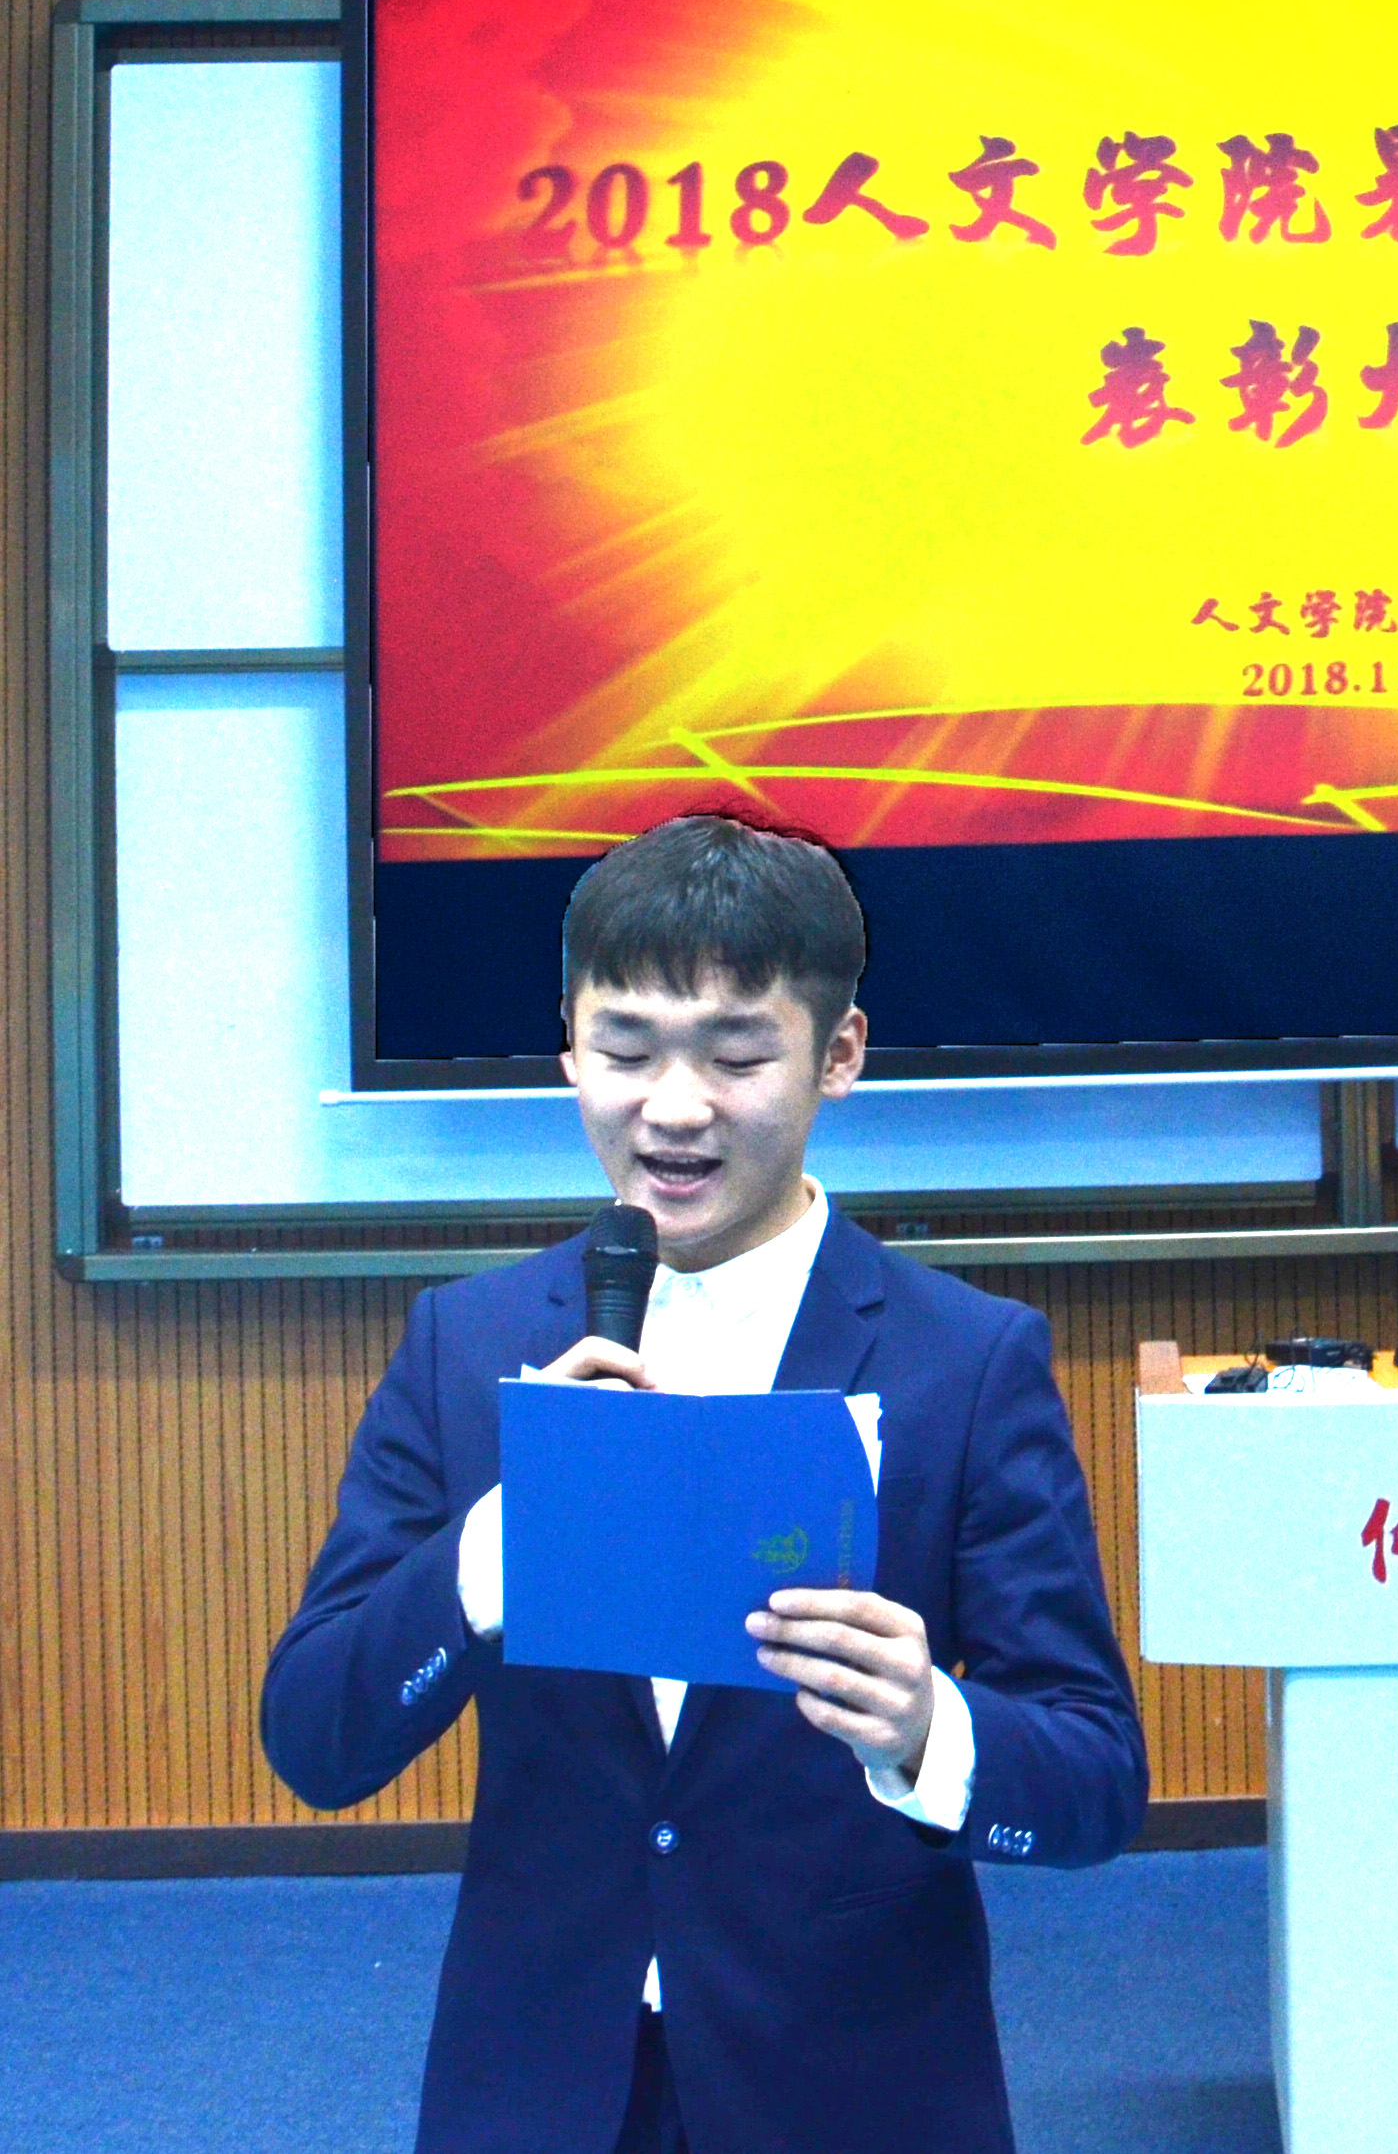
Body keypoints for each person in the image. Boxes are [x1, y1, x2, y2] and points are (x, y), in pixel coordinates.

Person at [261, 814, 1146, 2154]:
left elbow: (1095, 1781)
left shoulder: (963, 1363)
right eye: (626, 1050)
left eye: (736, 1057)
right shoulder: (467, 1343)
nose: (674, 1109)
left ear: (838, 1053)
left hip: (849, 2085)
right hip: (543, 2085)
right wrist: (493, 1554)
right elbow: (316, 1741)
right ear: (569, 1045)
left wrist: (929, 1731)